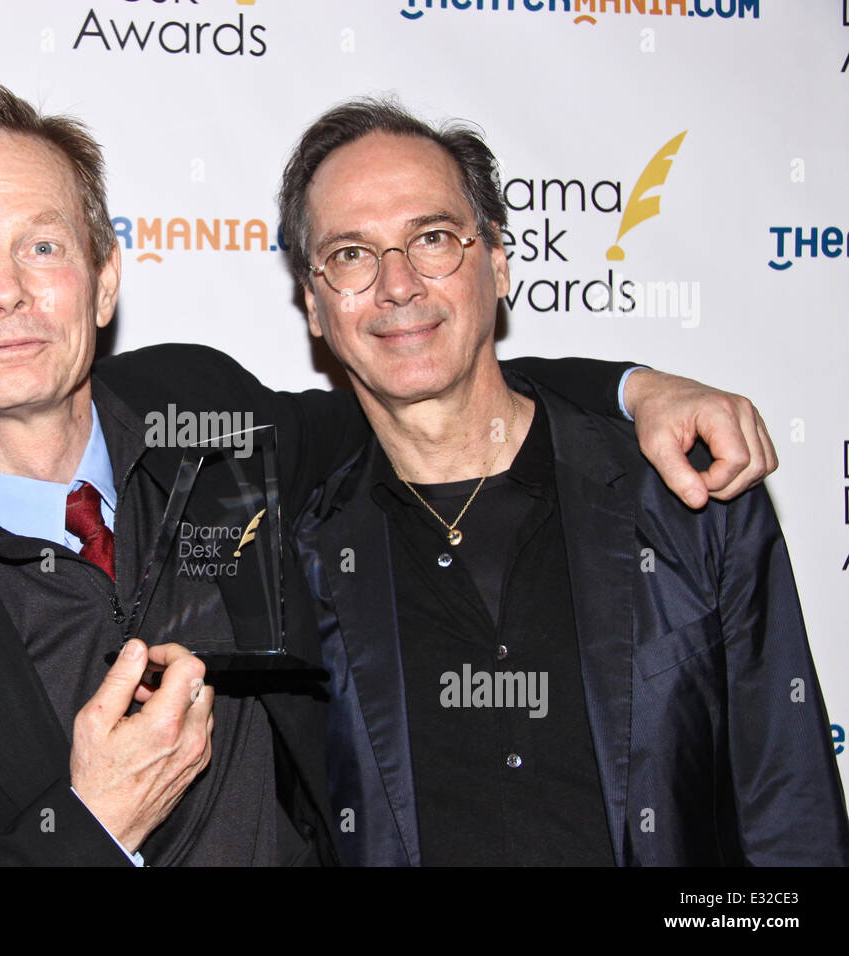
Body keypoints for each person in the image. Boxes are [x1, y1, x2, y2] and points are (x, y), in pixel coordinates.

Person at [0, 81, 781, 866]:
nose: (3, 291)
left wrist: (632, 386)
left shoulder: (213, 426)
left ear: (104, 277)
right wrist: (84, 831)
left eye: (40, 244)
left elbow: (421, 372)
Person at [276, 99, 848, 865]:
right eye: (351, 254)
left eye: (434, 239)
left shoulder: (685, 496)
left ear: (500, 264)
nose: (399, 284)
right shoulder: (295, 561)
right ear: (315, 305)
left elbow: (790, 812)